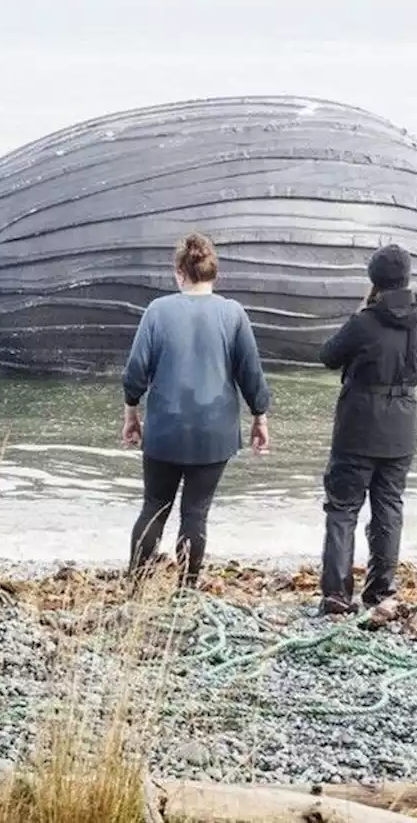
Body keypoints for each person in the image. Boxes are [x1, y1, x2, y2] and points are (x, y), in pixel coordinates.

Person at [121, 232, 272, 589]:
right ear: (213, 273)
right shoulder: (233, 314)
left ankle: (136, 588)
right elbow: (250, 372)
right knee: (195, 514)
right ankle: (186, 592)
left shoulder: (158, 311)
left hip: (165, 429)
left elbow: (135, 372)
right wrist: (259, 417)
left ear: (179, 272)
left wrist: (131, 413)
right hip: (214, 433)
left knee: (155, 506)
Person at [316, 244, 417, 615]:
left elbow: (328, 356)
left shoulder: (364, 321)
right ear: (407, 277)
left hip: (359, 427)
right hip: (403, 426)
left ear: (373, 279)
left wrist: (357, 316)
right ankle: (381, 591)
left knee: (343, 509)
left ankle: (336, 595)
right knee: (389, 508)